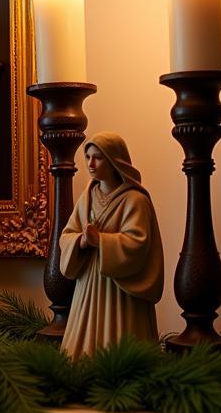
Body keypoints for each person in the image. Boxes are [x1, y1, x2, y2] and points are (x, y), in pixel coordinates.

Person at [58, 132, 164, 360]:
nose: (91, 164)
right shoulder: (86, 197)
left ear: (115, 160)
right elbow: (67, 234)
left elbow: (139, 242)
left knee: (122, 344)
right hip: (88, 286)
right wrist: (82, 241)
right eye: (87, 157)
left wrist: (102, 241)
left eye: (98, 157)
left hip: (122, 292)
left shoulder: (135, 200)